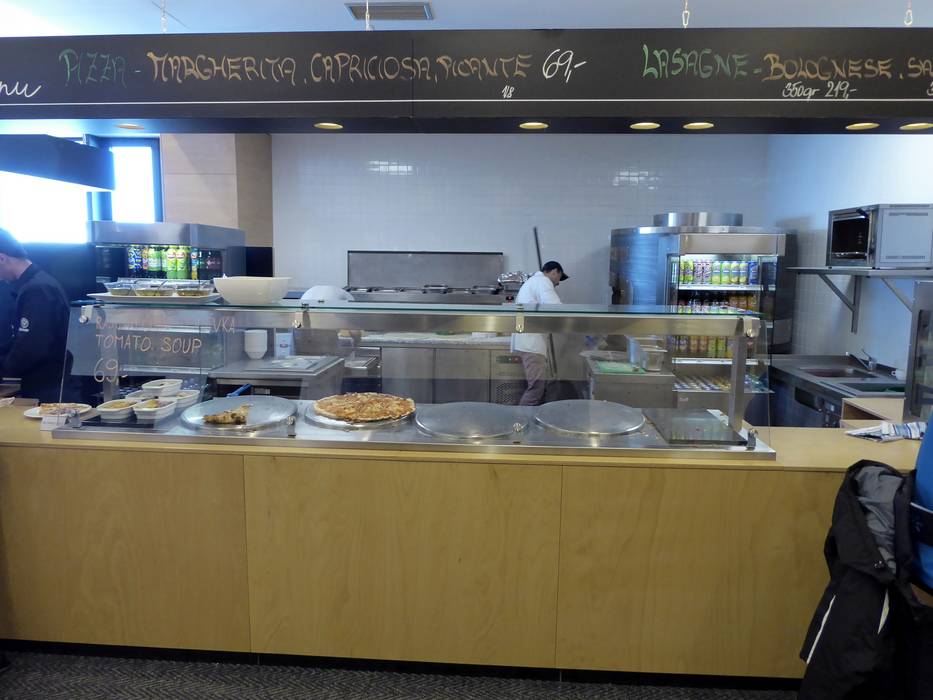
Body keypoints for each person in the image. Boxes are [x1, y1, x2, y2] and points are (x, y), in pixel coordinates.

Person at [0, 228, 71, 403]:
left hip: (52, 390)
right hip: (43, 386)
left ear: (2, 258)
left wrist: (4, 369)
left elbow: (32, 346)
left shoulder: (38, 289)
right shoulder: (32, 285)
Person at [510, 261, 568, 406]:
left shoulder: (533, 282)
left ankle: (526, 417)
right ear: (554, 271)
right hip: (531, 344)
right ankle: (521, 418)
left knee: (535, 387)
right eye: (559, 278)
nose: (558, 283)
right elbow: (556, 308)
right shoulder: (543, 281)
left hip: (526, 342)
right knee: (536, 389)